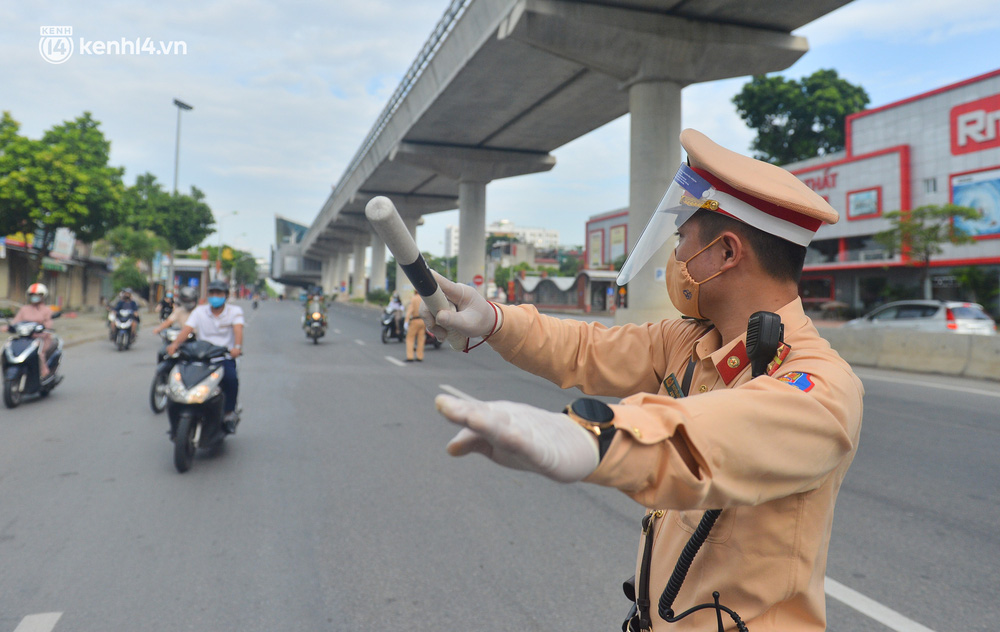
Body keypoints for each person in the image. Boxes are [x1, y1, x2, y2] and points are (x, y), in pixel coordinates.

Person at [421, 129, 864, 632]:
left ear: (725, 252)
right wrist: (495, 320)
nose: (675, 259)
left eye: (681, 242)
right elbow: (587, 348)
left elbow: (715, 434)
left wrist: (593, 436)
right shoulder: (689, 340)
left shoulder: (819, 384)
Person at [166, 280, 244, 433]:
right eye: (212, 293)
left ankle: (228, 413)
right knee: (180, 377)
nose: (215, 296)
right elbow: (187, 329)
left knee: (231, 379)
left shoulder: (235, 311)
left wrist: (237, 347)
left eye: (219, 294)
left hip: (223, 357)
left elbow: (238, 330)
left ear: (226, 296)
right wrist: (175, 344)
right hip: (200, 356)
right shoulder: (199, 311)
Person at [10, 283, 56, 378]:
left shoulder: (46, 310)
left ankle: (44, 373)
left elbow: (48, 324)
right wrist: (9, 327)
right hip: (25, 338)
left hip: (42, 339)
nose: (34, 297)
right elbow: (15, 321)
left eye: (37, 295)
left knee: (39, 353)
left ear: (43, 296)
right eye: (32, 295)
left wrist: (44, 329)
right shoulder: (24, 309)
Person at [404, 292, 426, 362]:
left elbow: (410, 310)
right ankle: (420, 356)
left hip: (415, 320)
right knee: (421, 339)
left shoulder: (414, 299)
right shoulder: (424, 299)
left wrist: (406, 321)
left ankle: (410, 356)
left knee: (410, 339)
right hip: (423, 321)